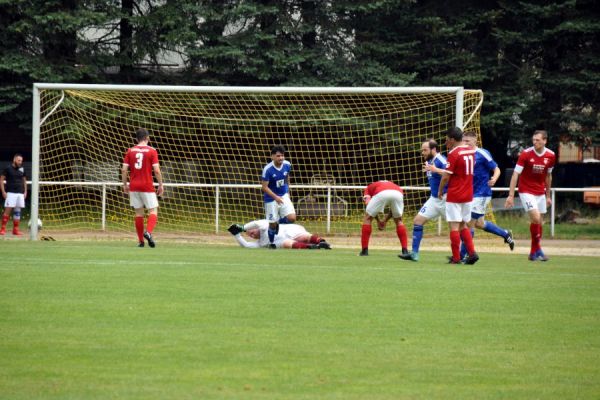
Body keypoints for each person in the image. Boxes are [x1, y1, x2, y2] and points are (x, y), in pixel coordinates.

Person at [460, 131, 514, 259]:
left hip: (482, 193)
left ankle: (463, 255)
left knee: (469, 223)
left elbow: (496, 169)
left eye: (468, 141)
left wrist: (494, 179)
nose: (465, 143)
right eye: (464, 141)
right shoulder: (463, 154)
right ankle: (506, 234)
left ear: (475, 141)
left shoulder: (482, 153)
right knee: (479, 223)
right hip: (470, 194)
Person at [504, 130, 556, 261]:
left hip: (540, 192)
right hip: (526, 191)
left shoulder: (551, 155)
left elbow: (548, 176)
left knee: (538, 222)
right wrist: (511, 195)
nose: (535, 142)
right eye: (534, 140)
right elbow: (516, 174)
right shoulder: (526, 154)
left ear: (545, 141)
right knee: (536, 218)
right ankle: (538, 250)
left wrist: (548, 195)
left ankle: (533, 252)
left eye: (538, 140)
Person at [399, 139, 447, 262]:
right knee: (418, 220)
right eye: (422, 150)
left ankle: (466, 253)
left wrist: (435, 170)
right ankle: (414, 254)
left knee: (464, 225)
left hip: (446, 199)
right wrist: (431, 170)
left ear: (434, 149)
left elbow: (450, 174)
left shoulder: (441, 160)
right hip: (434, 199)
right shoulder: (430, 162)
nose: (422, 153)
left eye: (425, 150)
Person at [437, 127, 479, 264]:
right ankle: (472, 253)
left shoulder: (454, 154)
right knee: (463, 225)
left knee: (454, 227)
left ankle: (456, 258)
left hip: (455, 193)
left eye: (447, 140)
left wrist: (440, 190)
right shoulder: (471, 150)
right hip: (468, 193)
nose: (445, 143)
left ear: (453, 140)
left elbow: (445, 177)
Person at [122, 128, 164, 248]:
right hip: (147, 185)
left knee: (138, 213)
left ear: (137, 139)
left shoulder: (130, 151)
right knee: (153, 210)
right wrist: (161, 184)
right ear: (147, 138)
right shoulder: (152, 151)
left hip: (134, 186)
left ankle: (141, 241)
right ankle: (148, 232)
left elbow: (124, 169)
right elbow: (156, 170)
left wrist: (125, 184)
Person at [359, 180, 408, 256]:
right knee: (399, 220)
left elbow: (370, 210)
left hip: (382, 193)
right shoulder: (393, 185)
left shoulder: (368, 189)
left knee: (367, 218)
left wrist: (378, 220)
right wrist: (385, 221)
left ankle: (364, 251)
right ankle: (405, 251)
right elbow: (393, 211)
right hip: (398, 193)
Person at [261, 145, 296, 248]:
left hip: (283, 195)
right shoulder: (267, 169)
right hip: (271, 198)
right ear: (272, 156)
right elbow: (264, 187)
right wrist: (276, 197)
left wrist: (287, 191)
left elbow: (286, 177)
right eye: (278, 156)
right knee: (272, 224)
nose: (281, 158)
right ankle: (272, 243)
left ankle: (277, 223)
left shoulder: (287, 164)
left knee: (292, 218)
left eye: (282, 156)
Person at [227, 220, 331, 249]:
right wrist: (237, 234)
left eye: (252, 232)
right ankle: (314, 247)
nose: (252, 235)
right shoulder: (261, 243)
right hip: (282, 241)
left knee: (303, 237)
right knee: (287, 244)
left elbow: (255, 223)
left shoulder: (264, 225)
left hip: (289, 230)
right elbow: (246, 245)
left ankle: (321, 241)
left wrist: (243, 228)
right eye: (250, 235)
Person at [1, 153, 27, 236]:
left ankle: (15, 230)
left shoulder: (22, 169)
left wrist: (25, 191)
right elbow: (1, 180)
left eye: (21, 161)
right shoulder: (8, 168)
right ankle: (3, 229)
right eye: (19, 160)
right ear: (14, 159)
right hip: (11, 193)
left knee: (17, 212)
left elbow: (24, 181)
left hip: (20, 193)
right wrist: (3, 191)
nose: (20, 162)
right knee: (7, 210)